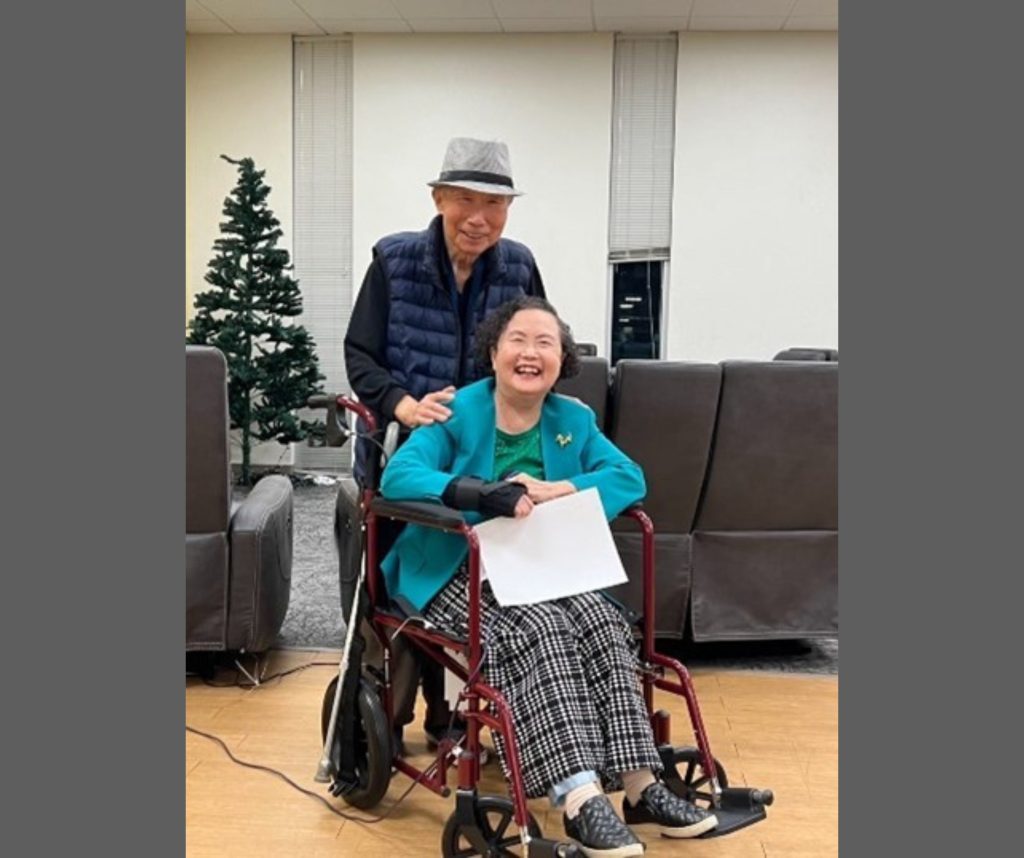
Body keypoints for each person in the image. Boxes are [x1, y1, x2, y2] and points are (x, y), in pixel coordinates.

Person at [379, 297, 718, 856]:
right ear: (493, 351)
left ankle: (640, 784)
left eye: (545, 343)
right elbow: (399, 476)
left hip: (543, 565)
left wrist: (565, 488)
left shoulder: (572, 419)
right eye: (518, 340)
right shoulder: (457, 411)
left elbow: (629, 477)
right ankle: (580, 797)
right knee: (540, 628)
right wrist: (477, 493)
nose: (530, 353)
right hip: (457, 567)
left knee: (605, 622)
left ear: (562, 359)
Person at [343, 137, 545, 757]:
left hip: (482, 462)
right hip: (404, 453)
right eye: (464, 200)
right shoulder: (395, 260)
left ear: (508, 209)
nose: (478, 217)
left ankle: (451, 715)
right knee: (399, 587)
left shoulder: (518, 266)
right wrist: (402, 404)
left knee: (470, 583)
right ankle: (386, 716)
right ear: (437, 199)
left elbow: (533, 345)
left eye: (494, 203)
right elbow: (360, 354)